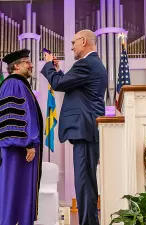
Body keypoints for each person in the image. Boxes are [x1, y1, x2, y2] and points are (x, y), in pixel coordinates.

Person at [41, 29, 108, 225]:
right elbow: (70, 83)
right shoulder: (92, 64)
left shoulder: (86, 63)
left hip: (85, 128)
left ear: (84, 41)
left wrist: (48, 66)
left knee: (85, 183)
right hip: (86, 128)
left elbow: (59, 84)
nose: (71, 47)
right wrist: (58, 71)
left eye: (73, 43)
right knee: (85, 182)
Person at [0, 49, 43, 225]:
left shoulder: (21, 85)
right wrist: (28, 143)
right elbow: (14, 118)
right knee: (14, 192)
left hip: (22, 147)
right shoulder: (14, 84)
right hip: (18, 149)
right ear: (16, 65)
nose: (31, 65)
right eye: (27, 62)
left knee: (22, 192)